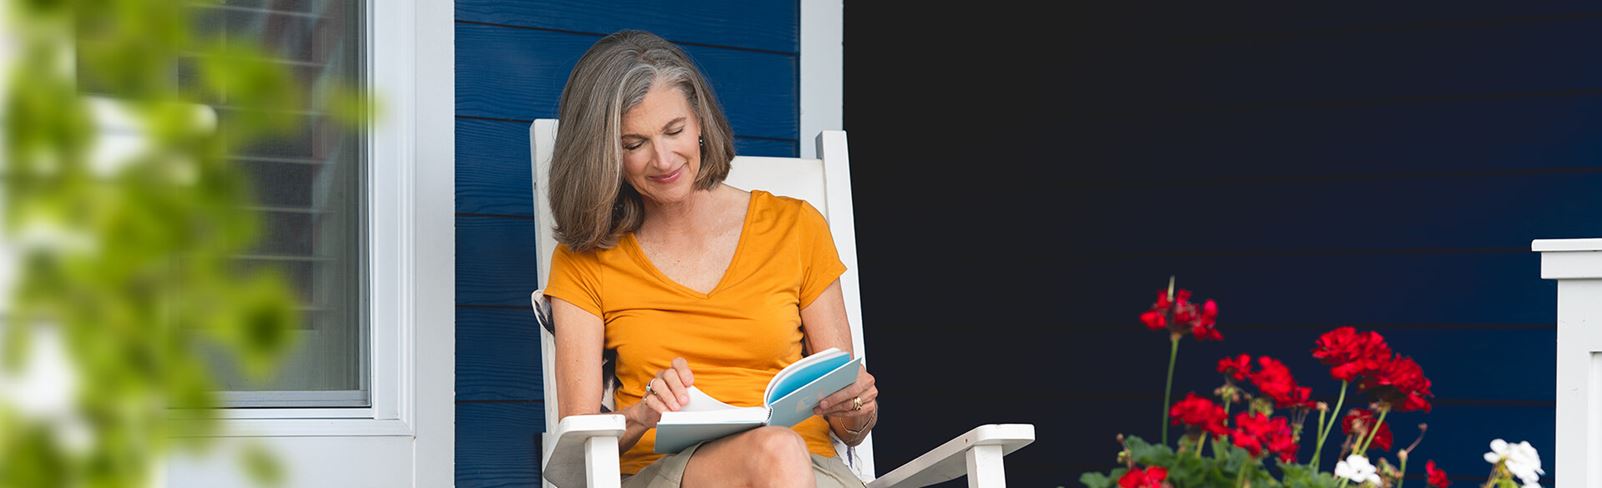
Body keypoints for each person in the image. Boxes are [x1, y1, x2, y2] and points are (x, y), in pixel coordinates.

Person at [541, 30, 880, 487]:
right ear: (605, 154)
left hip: (812, 470)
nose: (663, 159)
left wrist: (856, 406)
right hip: (667, 474)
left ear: (700, 122)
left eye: (674, 130)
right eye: (634, 143)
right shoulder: (587, 258)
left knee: (783, 451)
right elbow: (578, 440)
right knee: (776, 450)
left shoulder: (795, 227)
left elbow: (848, 425)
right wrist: (643, 414)